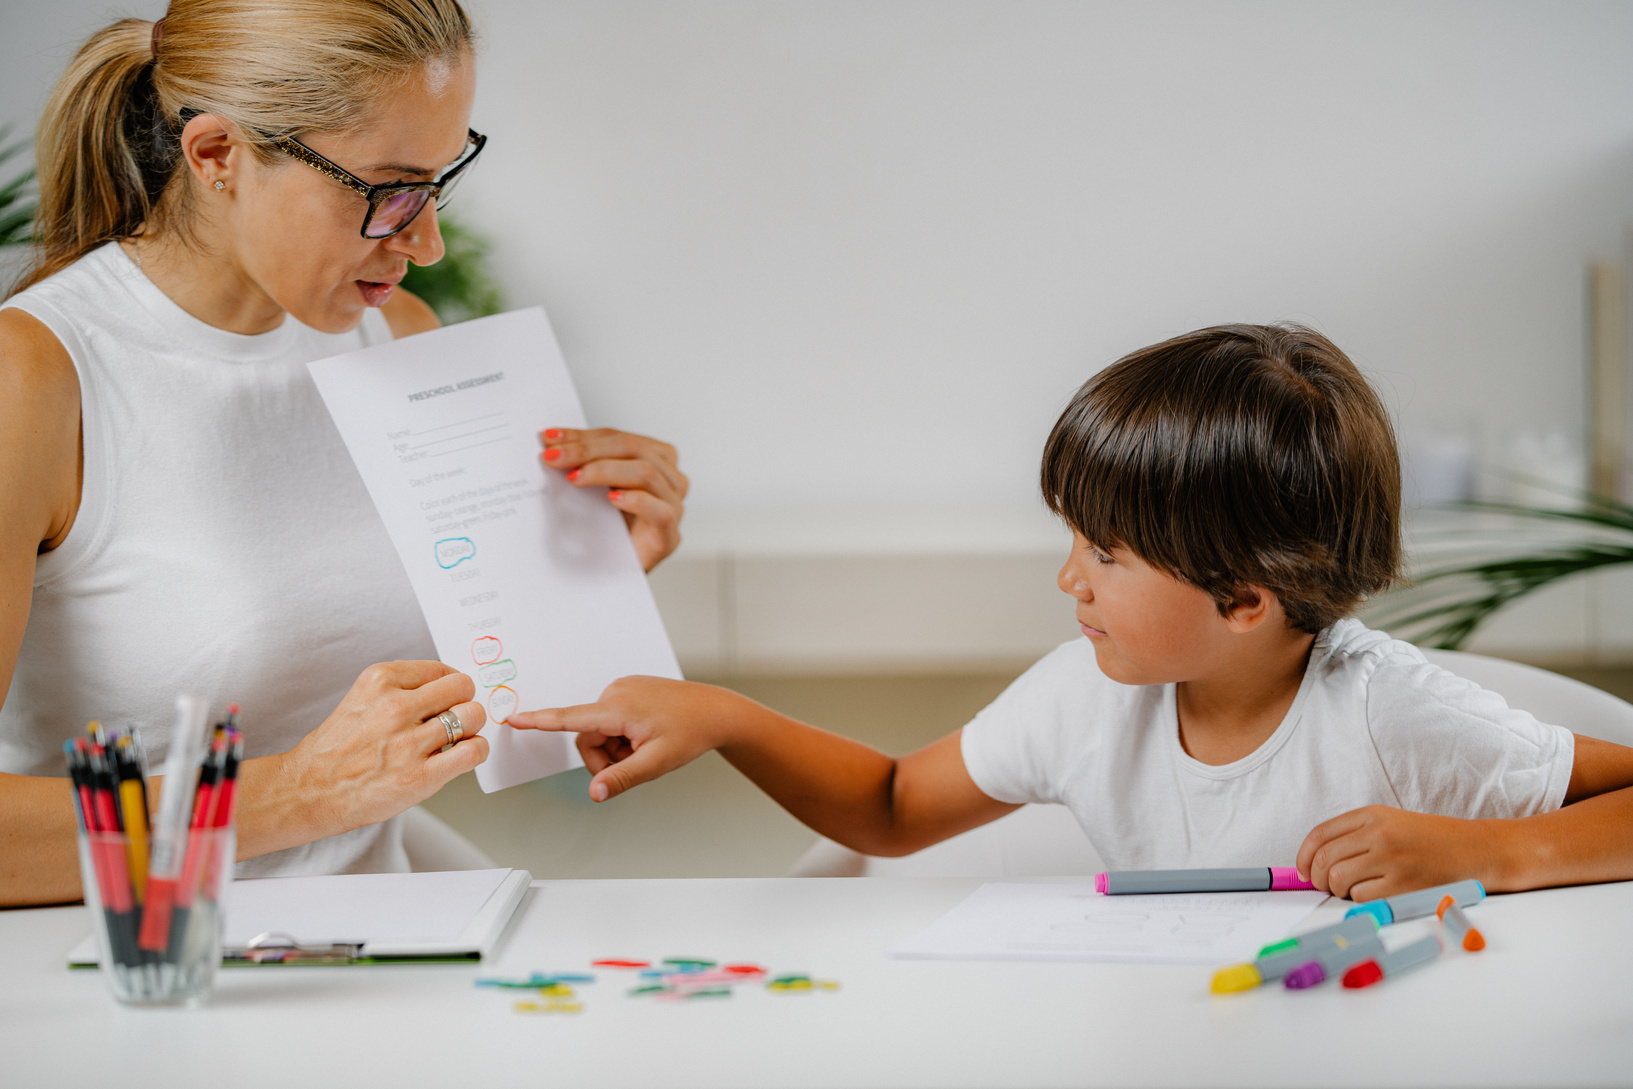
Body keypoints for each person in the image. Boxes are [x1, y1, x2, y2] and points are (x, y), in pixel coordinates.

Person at [512, 324, 1633, 900]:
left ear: (1243, 599)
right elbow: (896, 809)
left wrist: (1490, 850)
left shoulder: (1394, 716)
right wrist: (723, 717)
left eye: (1104, 552)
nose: (1070, 580)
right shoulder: (1085, 698)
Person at [0, 0, 689, 906]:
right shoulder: (38, 379)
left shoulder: (389, 334)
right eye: (386, 191)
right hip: (133, 971)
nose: (427, 240)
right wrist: (298, 794)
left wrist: (580, 582)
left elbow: (470, 695)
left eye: (438, 184)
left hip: (367, 940)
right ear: (217, 157)